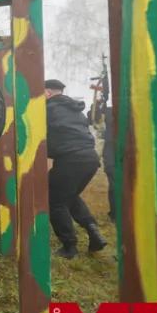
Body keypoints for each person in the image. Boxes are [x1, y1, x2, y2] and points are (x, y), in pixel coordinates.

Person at [44, 79, 107, 259]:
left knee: (56, 202)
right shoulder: (75, 110)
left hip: (70, 160)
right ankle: (93, 232)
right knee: (69, 196)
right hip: (90, 158)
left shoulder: (48, 110)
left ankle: (69, 247)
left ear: (48, 92)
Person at [102, 106, 116, 224]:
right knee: (114, 183)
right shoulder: (108, 110)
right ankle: (115, 215)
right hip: (112, 150)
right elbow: (94, 119)